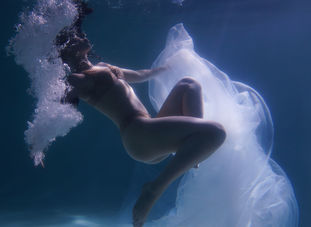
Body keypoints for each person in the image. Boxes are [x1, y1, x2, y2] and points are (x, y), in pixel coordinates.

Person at [59, 35, 226, 227]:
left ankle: (192, 151)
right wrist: (39, 138)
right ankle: (154, 189)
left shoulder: (104, 66)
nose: (80, 36)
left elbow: (140, 75)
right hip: (137, 135)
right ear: (67, 50)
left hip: (149, 130)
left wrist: (167, 67)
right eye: (73, 37)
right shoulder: (78, 78)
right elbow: (62, 100)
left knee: (189, 84)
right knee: (216, 132)